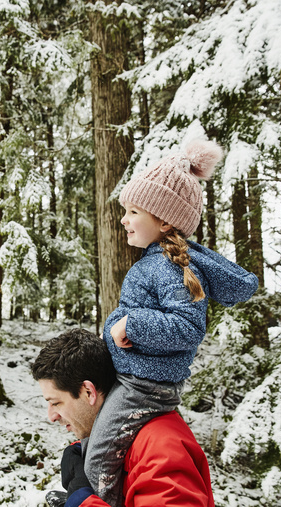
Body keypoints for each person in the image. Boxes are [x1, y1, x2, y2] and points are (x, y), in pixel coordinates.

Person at [86, 139, 259, 505]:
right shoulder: (156, 262)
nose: (124, 219)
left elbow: (187, 328)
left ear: (164, 220)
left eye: (134, 211)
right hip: (135, 381)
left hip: (144, 388)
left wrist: (131, 324)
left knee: (96, 463)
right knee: (92, 447)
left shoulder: (170, 267)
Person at [32, 328, 214, 507]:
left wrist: (83, 502)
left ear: (89, 392)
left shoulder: (160, 448)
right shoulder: (126, 444)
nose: (51, 416)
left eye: (56, 403)